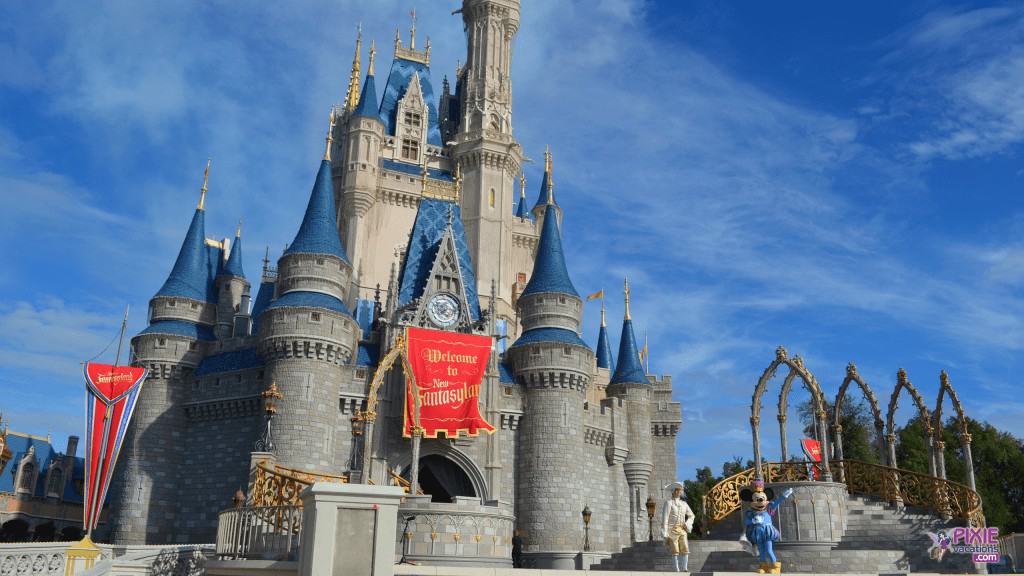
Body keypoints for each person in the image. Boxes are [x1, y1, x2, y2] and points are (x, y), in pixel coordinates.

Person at [740, 479, 794, 574]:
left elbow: (777, 502)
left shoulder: (769, 508)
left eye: (762, 499)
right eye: (757, 499)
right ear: (752, 500)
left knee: (769, 550)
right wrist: (752, 520)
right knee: (761, 551)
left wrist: (784, 496)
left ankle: (775, 567)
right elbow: (746, 521)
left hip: (767, 532)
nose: (760, 501)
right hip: (757, 533)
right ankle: (763, 566)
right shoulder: (751, 512)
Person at [661, 482, 695, 573]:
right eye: (677, 490)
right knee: (675, 550)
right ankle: (676, 569)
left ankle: (684, 568)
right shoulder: (668, 503)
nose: (679, 492)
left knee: (685, 548)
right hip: (672, 530)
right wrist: (665, 532)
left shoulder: (684, 504)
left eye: (680, 490)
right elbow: (665, 519)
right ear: (673, 492)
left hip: (682, 529)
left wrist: (687, 524)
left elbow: (691, 515)